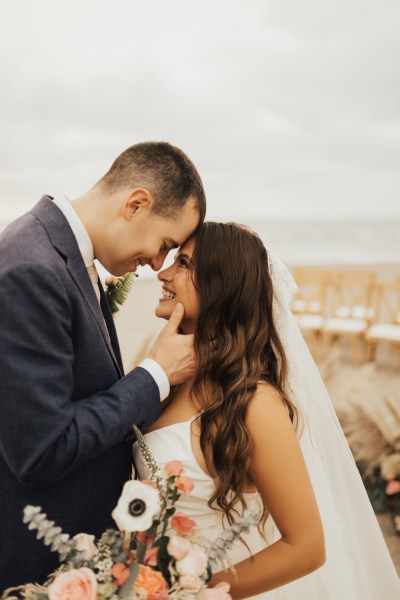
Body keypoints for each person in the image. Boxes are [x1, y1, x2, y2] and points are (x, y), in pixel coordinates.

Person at [134, 222, 400, 599]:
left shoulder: (254, 403)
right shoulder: (171, 378)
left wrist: (185, 590)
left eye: (184, 265)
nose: (163, 272)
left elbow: (306, 547)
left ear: (221, 285)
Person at [0, 141, 206, 591]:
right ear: (136, 204)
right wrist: (154, 376)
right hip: (34, 564)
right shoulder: (32, 267)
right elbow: (40, 449)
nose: (156, 264)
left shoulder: (70, 260)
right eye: (163, 245)